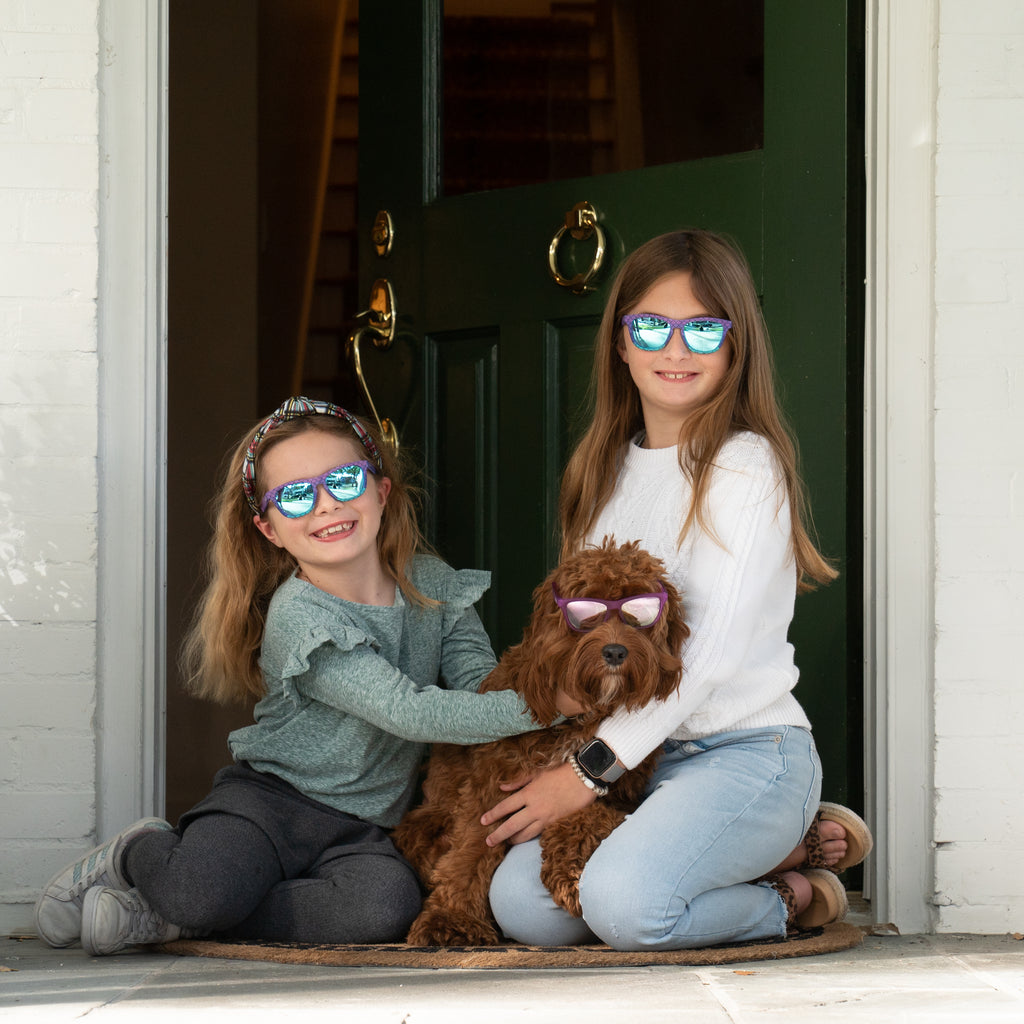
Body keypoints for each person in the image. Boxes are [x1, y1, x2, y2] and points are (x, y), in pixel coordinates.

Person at [34, 397, 542, 956]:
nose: (325, 506)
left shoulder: (432, 583)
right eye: (296, 495)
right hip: (269, 804)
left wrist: (534, 697)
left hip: (364, 827)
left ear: (381, 491)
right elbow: (413, 712)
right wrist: (551, 703)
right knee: (202, 891)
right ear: (269, 529)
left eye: (344, 480)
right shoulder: (301, 614)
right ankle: (138, 853)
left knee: (384, 909)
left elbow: (480, 684)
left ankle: (169, 916)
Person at [485, 229, 872, 950]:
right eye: (651, 327)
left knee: (628, 909)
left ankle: (791, 891)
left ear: (735, 346)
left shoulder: (744, 467)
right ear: (620, 345)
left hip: (744, 752)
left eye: (702, 328)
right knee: (526, 910)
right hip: (641, 764)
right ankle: (760, 855)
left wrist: (586, 773)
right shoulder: (600, 473)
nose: (676, 349)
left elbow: (713, 653)